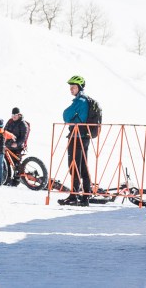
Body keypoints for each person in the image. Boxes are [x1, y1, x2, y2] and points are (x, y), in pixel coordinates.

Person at [59, 75, 92, 206]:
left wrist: (72, 119)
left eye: (73, 87)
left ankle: (74, 196)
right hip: (83, 137)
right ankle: (85, 196)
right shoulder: (85, 100)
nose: (71, 89)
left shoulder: (80, 101)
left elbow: (66, 115)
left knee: (74, 166)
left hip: (77, 137)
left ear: (79, 87)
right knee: (82, 166)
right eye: (70, 87)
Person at [5, 107, 31, 186]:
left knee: (16, 164)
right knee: (6, 162)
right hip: (9, 145)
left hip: (18, 147)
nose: (13, 116)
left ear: (19, 115)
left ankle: (16, 181)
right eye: (12, 114)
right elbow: (5, 131)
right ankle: (7, 179)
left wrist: (17, 143)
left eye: (15, 115)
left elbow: (23, 137)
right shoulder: (10, 121)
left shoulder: (23, 124)